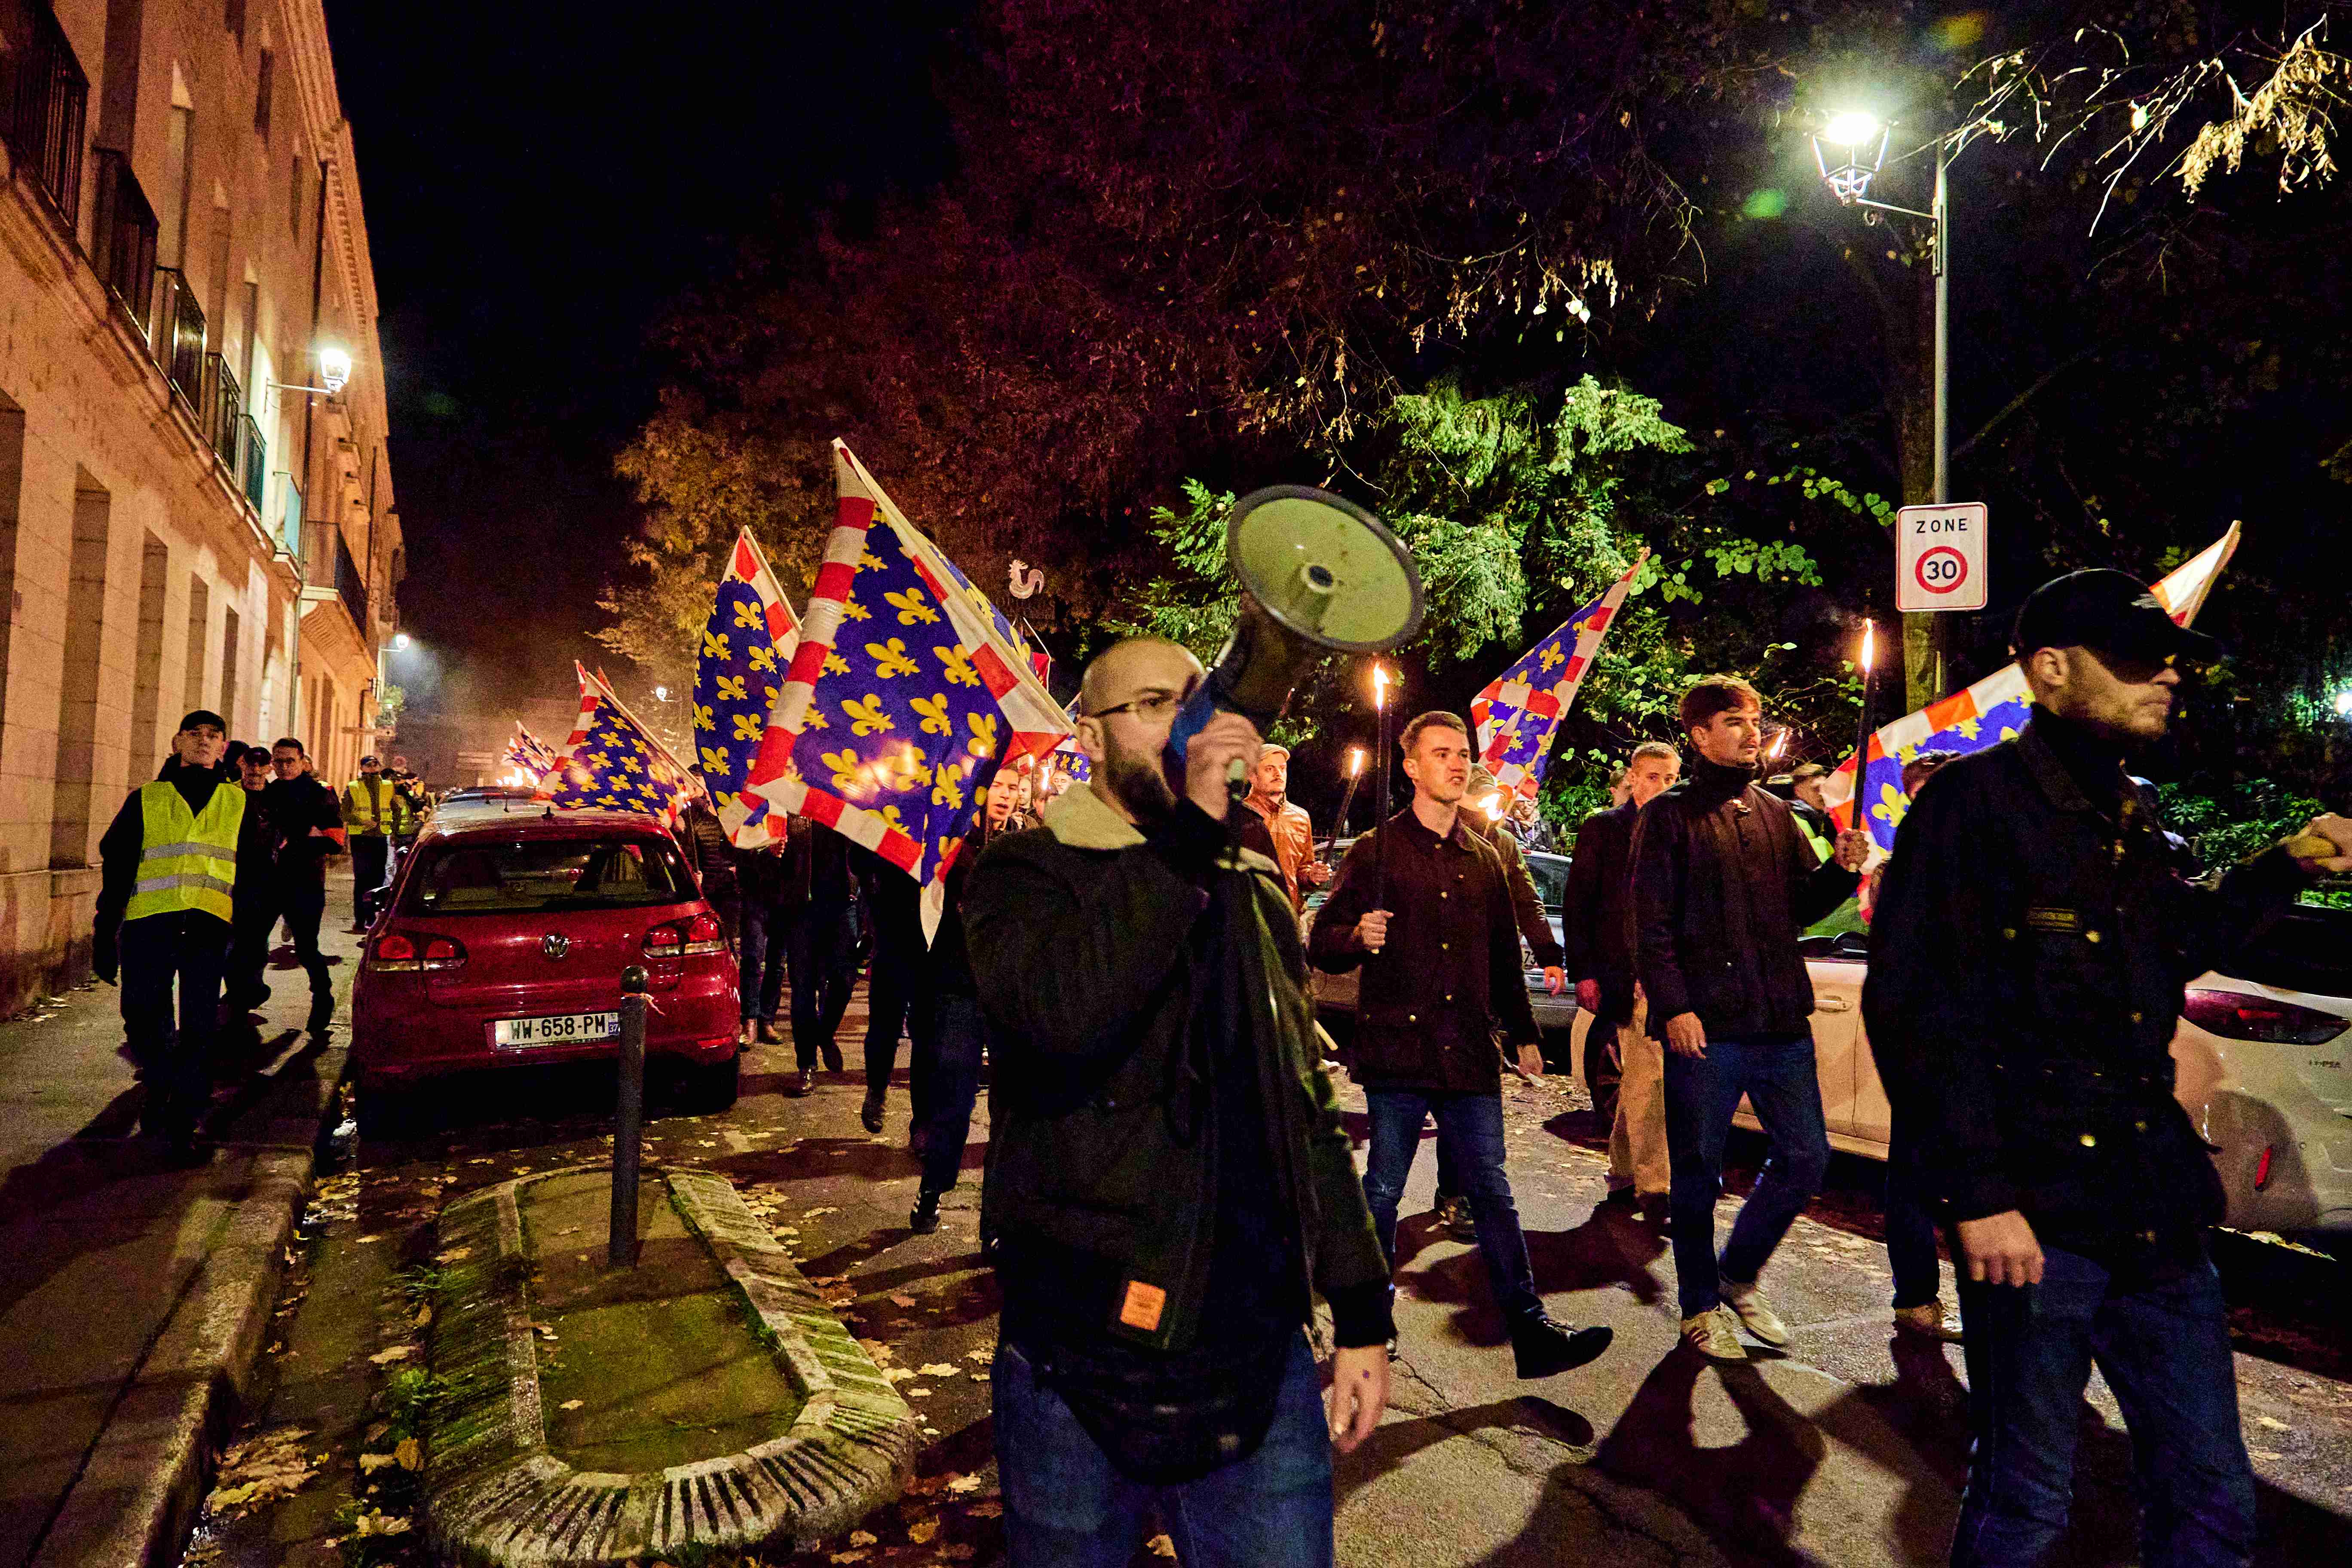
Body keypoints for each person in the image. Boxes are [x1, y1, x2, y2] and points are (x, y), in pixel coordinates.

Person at [1865, 568, 2352, 1568]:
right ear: (2048, 671)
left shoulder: (2126, 810)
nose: (2162, 678)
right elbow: (1917, 1013)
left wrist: (2284, 863)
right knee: (2026, 1496)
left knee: (2211, 1498)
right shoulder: (1969, 809)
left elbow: (2170, 940)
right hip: (2038, 1224)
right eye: (2131, 662)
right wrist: (1978, 1195)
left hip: (2154, 1212)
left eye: (2164, 660)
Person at [966, 636, 1392, 1565]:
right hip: (1077, 1356)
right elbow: (1063, 1014)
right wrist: (1193, 833)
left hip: (1253, 1349)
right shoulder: (1020, 875)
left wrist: (1361, 1311)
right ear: (1087, 735)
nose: (1184, 727)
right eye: (1154, 704)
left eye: (1196, 702)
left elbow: (1305, 1110)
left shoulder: (1252, 890)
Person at [1311, 711, 1611, 1379]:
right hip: (1398, 1051)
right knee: (1384, 1189)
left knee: (1491, 1190)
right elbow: (1320, 939)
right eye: (1441, 753)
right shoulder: (1377, 851)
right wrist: (1357, 936)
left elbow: (1505, 958)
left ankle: (1530, 1331)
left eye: (1462, 754)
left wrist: (1526, 1033)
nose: (1456, 764)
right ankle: (1367, 1325)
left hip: (1468, 1052)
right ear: (1411, 766)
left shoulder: (1486, 859)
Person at [1633, 676, 1871, 1361]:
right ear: (1701, 735)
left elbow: (1801, 906)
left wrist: (1843, 872)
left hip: (1778, 1023)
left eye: (1755, 719)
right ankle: (1699, 1307)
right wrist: (1674, 1005)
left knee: (1806, 1157)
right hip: (1707, 1029)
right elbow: (1649, 924)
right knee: (1699, 1172)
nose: (1749, 731)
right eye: (1733, 721)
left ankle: (1739, 1274)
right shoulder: (1669, 817)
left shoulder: (1775, 815)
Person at [92, 712, 245, 1162]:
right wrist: (106, 930)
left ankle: (185, 1121)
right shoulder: (147, 799)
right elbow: (117, 865)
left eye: (213, 735)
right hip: (149, 925)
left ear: (223, 747)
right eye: (195, 734)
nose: (204, 741)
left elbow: (255, 875)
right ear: (178, 741)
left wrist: (249, 941)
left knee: (198, 1028)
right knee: (142, 1019)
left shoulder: (237, 803)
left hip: (208, 927)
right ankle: (160, 1083)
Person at [1425, 765, 1568, 1238]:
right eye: (1480, 796)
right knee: (1436, 1092)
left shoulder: (1502, 845)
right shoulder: (1433, 837)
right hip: (1434, 985)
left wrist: (1549, 954)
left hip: (1482, 984)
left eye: (1493, 798)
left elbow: (1525, 900)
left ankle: (1459, 1190)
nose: (1489, 805)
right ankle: (1403, 1196)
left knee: (1468, 1089)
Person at [1564, 740, 1680, 1223]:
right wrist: (1584, 970)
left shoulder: (1680, 828)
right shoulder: (1604, 829)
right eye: (1653, 777)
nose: (1661, 787)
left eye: (1671, 778)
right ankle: (1657, 1186)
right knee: (1649, 1077)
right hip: (1622, 972)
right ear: (1633, 777)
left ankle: (1625, 1171)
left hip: (1666, 972)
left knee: (1643, 1077)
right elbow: (1580, 902)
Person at [908, 763, 1023, 1234]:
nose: (1006, 795)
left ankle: (995, 1220)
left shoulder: (1024, 845)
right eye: (998, 785)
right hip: (959, 987)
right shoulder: (949, 844)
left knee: (1009, 1109)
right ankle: (932, 1190)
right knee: (954, 1095)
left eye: (1014, 788)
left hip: (1008, 994)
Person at [264, 738, 345, 1034]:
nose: (284, 767)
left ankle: (322, 997)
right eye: (279, 761)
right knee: (251, 943)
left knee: (307, 948)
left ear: (302, 762)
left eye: (290, 761)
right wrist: (306, 835)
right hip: (268, 882)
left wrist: (294, 842)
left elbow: (335, 842)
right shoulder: (267, 793)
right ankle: (245, 995)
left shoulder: (320, 794)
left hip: (305, 882)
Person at [779, 813, 856, 1095]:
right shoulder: (789, 803)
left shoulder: (846, 792)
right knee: (803, 989)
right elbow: (759, 847)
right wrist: (771, 850)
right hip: (801, 905)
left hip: (842, 903)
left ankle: (824, 1032)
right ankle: (806, 1066)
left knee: (846, 978)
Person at [854, 844, 927, 1138]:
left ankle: (922, 1123)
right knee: (885, 1026)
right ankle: (876, 1089)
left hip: (933, 939)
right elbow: (858, 859)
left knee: (926, 1034)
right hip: (892, 932)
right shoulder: (892, 805)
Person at [1235, 744, 1331, 913]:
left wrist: (1311, 876)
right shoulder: (1238, 815)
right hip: (1251, 916)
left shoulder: (1301, 818)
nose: (1278, 774)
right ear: (1252, 775)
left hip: (1289, 915)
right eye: (1269, 769)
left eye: (1282, 768)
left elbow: (1302, 869)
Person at [224, 743, 282, 1016]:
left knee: (256, 938)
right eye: (251, 764)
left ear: (270, 768)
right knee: (233, 938)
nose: (256, 770)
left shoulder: (277, 799)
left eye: (262, 764)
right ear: (241, 765)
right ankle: (238, 990)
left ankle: (252, 987)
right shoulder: (229, 794)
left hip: (265, 881)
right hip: (232, 878)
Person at [341, 756, 411, 931]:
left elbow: (395, 810)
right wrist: (361, 822)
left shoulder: (388, 786)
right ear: (362, 768)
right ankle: (360, 919)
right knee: (362, 879)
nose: (372, 768)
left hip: (380, 837)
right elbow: (345, 813)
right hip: (361, 838)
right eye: (368, 765)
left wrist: (395, 832)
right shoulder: (354, 787)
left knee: (378, 879)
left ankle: (373, 918)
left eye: (375, 764)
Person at [734, 838, 791, 1049]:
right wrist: (765, 852)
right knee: (752, 958)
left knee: (777, 964)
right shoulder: (754, 811)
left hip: (785, 898)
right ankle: (750, 1019)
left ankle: (767, 1018)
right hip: (755, 895)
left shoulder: (799, 815)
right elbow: (734, 849)